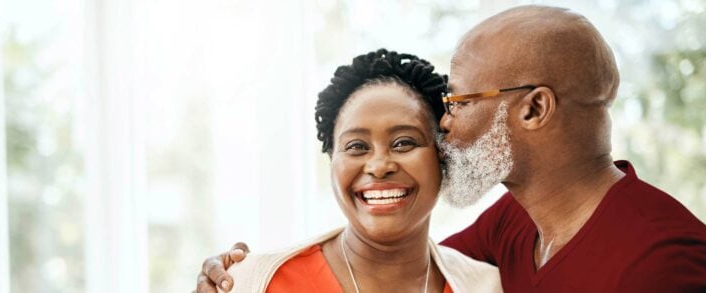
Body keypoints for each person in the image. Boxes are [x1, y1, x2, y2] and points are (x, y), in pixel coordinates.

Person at [197, 5, 706, 292]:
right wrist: (243, 273)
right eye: (355, 145)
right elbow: (406, 260)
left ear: (532, 110)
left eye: (459, 100)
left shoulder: (661, 264)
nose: (446, 123)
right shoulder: (516, 224)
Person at [208, 49, 502, 292]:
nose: (379, 166)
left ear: (442, 155)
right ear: (332, 160)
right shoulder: (252, 282)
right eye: (357, 146)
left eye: (403, 142)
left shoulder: (488, 287)